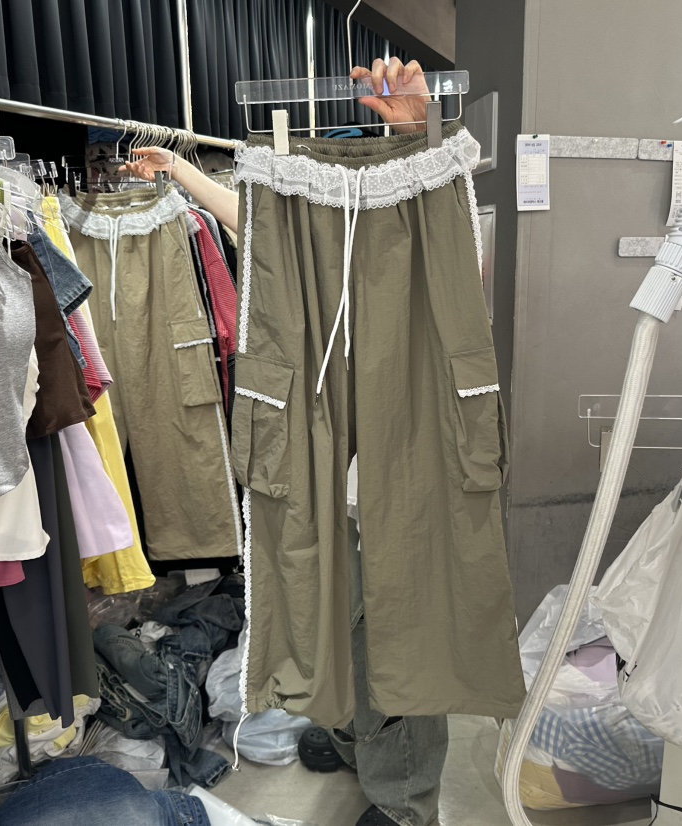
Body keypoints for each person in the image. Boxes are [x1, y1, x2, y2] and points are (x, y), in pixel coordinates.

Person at [122, 58, 449, 826]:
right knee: (334, 623)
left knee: (394, 641)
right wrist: (178, 171)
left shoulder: (412, 239)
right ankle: (353, 737)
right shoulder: (315, 244)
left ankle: (404, 800)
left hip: (397, 480)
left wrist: (420, 138)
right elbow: (255, 221)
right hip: (322, 476)